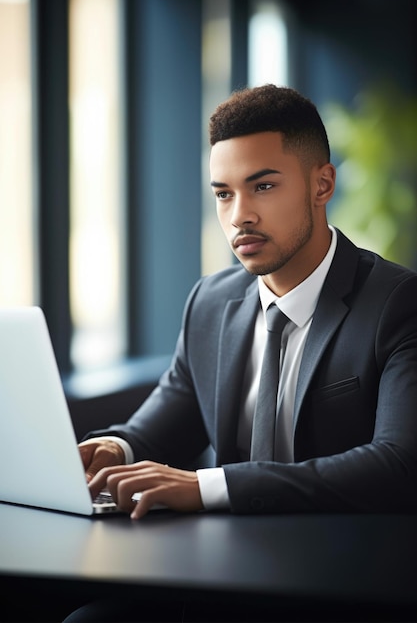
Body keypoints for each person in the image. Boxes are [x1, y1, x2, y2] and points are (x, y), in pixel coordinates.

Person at [63, 84, 417, 621]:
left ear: (322, 185)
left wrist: (208, 486)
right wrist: (114, 449)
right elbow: (159, 427)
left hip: (345, 584)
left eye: (263, 186)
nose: (239, 216)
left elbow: (398, 465)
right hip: (222, 573)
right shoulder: (210, 303)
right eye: (223, 193)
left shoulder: (397, 303)